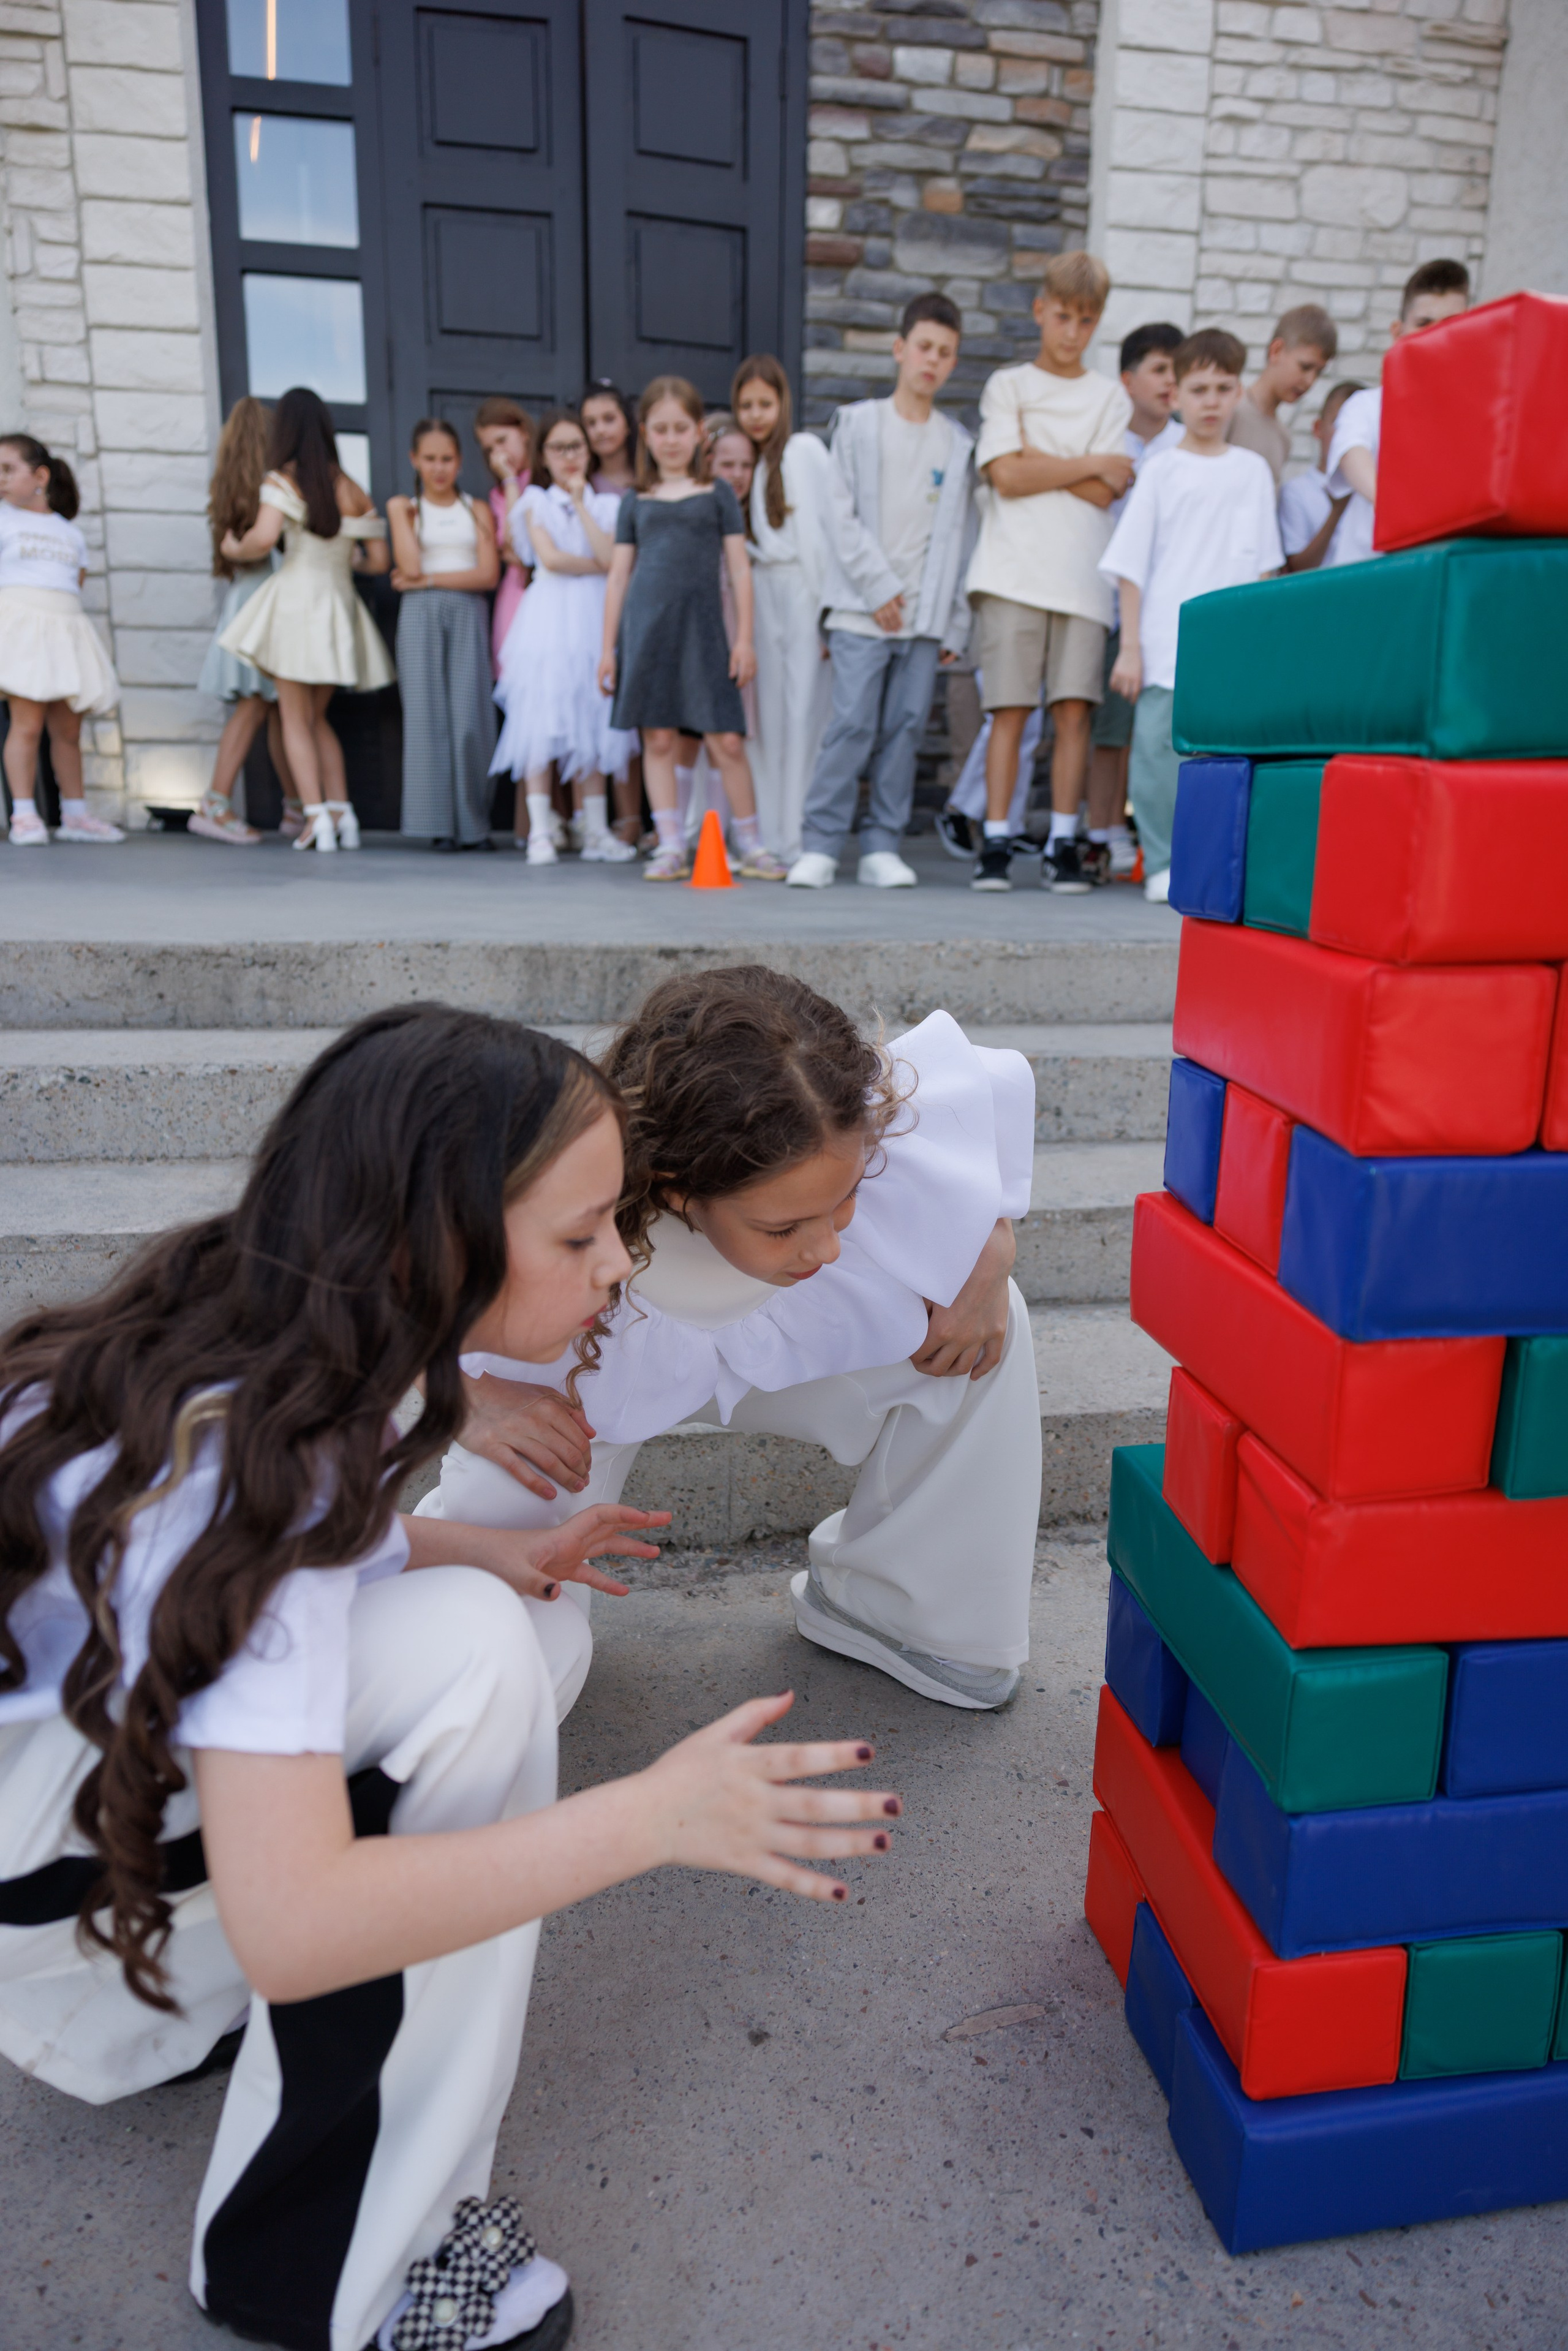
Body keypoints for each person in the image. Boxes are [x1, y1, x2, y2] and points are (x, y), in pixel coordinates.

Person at [0, 1004, 897, 2351]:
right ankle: (332, 2271)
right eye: (582, 1235)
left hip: (65, 1854)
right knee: (474, 1661)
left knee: (480, 1620)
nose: (615, 1268)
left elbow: (252, 1574)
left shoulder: (242, 1327)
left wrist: (486, 1543)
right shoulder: (261, 1453)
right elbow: (299, 1910)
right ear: (443, 1237)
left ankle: (187, 2010)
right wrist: (655, 1816)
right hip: (59, 1912)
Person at [424, 966, 1042, 1716]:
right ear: (678, 1188)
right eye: (782, 1227)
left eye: (844, 1203)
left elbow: (975, 1100)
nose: (825, 1249)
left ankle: (901, 1605)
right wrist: (467, 1396)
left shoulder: (838, 1114)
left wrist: (990, 1242)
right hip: (574, 1385)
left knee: (985, 1315)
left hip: (803, 1341)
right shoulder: (542, 1182)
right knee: (494, 1675)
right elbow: (339, 1294)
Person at [786, 295, 974, 892]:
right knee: (851, 724)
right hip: (862, 608)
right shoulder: (858, 424)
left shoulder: (957, 444)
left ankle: (881, 845)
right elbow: (837, 515)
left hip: (922, 617)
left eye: (945, 353)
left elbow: (963, 538)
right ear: (900, 349)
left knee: (906, 726)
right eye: (924, 347)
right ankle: (819, 842)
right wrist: (879, 587)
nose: (932, 361)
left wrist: (955, 622)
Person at [963, 251, 1133, 896]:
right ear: (1040, 310)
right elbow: (1003, 476)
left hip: (1082, 578)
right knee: (1008, 710)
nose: (1072, 332)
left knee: (1072, 713)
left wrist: (1037, 456)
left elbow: (1106, 490)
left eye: (1086, 321)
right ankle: (997, 838)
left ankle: (1064, 839)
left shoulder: (1109, 396)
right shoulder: (1009, 385)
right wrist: (1082, 462)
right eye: (1062, 316)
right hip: (1011, 572)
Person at [1101, 328, 1284, 904]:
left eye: (1223, 388)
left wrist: (1259, 649)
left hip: (1230, 651)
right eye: (1198, 388)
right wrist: (1130, 646)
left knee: (1224, 764)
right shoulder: (1160, 469)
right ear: (1177, 394)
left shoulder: (1252, 470)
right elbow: (1132, 564)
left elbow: (1265, 571)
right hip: (1163, 642)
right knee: (1157, 758)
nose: (1210, 400)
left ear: (1238, 393)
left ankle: (1209, 864)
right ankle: (1160, 860)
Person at [599, 377, 787, 881]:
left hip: (705, 632)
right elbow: (619, 576)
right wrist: (608, 649)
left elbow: (740, 569)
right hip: (649, 632)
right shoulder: (636, 499)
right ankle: (670, 844)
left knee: (725, 740)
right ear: (646, 434)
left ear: (699, 431)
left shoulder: (717, 493)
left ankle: (750, 843)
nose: (671, 438)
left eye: (681, 427)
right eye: (660, 429)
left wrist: (744, 638)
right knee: (658, 739)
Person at [217, 386, 393, 854]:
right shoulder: (352, 487)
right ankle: (343, 814)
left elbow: (262, 539)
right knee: (317, 720)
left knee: (295, 718)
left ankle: (317, 819)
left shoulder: (283, 480)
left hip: (296, 604)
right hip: (338, 608)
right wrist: (343, 560)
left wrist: (232, 547)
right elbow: (378, 560)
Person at [491, 407, 636, 866]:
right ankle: (539, 829)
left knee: (590, 719)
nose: (570, 455)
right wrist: (598, 565)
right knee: (541, 716)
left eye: (577, 446)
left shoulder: (606, 505)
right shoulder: (533, 501)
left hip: (594, 617)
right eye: (559, 447)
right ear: (545, 455)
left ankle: (594, 828)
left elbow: (609, 555)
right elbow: (549, 559)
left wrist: (579, 504)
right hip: (550, 617)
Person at [732, 353, 835, 864]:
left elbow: (821, 538)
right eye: (746, 405)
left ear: (783, 403)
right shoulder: (741, 462)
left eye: (765, 404)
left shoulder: (803, 451)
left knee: (803, 714)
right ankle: (767, 836)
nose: (755, 415)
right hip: (758, 590)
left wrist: (824, 618)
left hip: (800, 591)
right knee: (765, 716)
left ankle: (799, 835)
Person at [0, 432, 123, 846]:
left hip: (64, 630)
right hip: (23, 632)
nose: (0, 479)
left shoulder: (69, 533)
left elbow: (76, 583)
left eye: (7, 469)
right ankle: (24, 814)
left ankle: (75, 814)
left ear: (40, 476)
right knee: (27, 725)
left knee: (68, 729)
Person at [389, 418, 502, 851]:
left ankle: (474, 825)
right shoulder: (407, 507)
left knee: (470, 719)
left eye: (448, 459)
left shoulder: (475, 509)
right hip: (419, 618)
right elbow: (408, 568)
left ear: (459, 462)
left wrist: (430, 580)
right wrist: (400, 515)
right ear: (415, 460)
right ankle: (436, 823)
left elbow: (487, 574)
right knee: (427, 718)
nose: (439, 468)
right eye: (430, 459)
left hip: (468, 614)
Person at [193, 396, 298, 846]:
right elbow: (261, 546)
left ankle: (295, 807)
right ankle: (214, 804)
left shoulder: (230, 488)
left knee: (278, 706)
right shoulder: (270, 488)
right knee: (258, 703)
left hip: (251, 599)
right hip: (265, 602)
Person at [1322, 258, 1472, 570]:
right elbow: (1353, 453)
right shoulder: (1366, 405)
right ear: (1397, 331)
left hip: (1440, 573)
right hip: (1367, 576)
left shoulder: (1478, 412)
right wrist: (1400, 510)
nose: (1436, 336)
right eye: (1424, 323)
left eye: (1451, 323)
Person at [579, 381, 642, 846]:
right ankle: (613, 820)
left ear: (628, 423)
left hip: (646, 601)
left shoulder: (648, 479)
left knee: (645, 714)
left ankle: (648, 818)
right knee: (606, 713)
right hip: (595, 607)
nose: (600, 431)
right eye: (591, 423)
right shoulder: (583, 485)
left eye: (608, 419)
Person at [1225, 302, 1338, 487]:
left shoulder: (1283, 437)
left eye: (1319, 373)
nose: (1310, 381)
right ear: (1276, 351)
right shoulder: (1230, 412)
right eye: (1305, 367)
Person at [473, 396, 534, 676]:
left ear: (523, 432)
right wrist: (510, 482)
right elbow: (513, 544)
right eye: (489, 449)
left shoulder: (545, 479)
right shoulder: (497, 496)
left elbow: (520, 550)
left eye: (502, 440)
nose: (498, 453)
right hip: (515, 593)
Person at [1278, 379, 1365, 573]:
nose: (1347, 434)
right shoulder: (1297, 492)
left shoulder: (1374, 489)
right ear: (1318, 428)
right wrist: (1336, 512)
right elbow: (1297, 568)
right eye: (1339, 423)